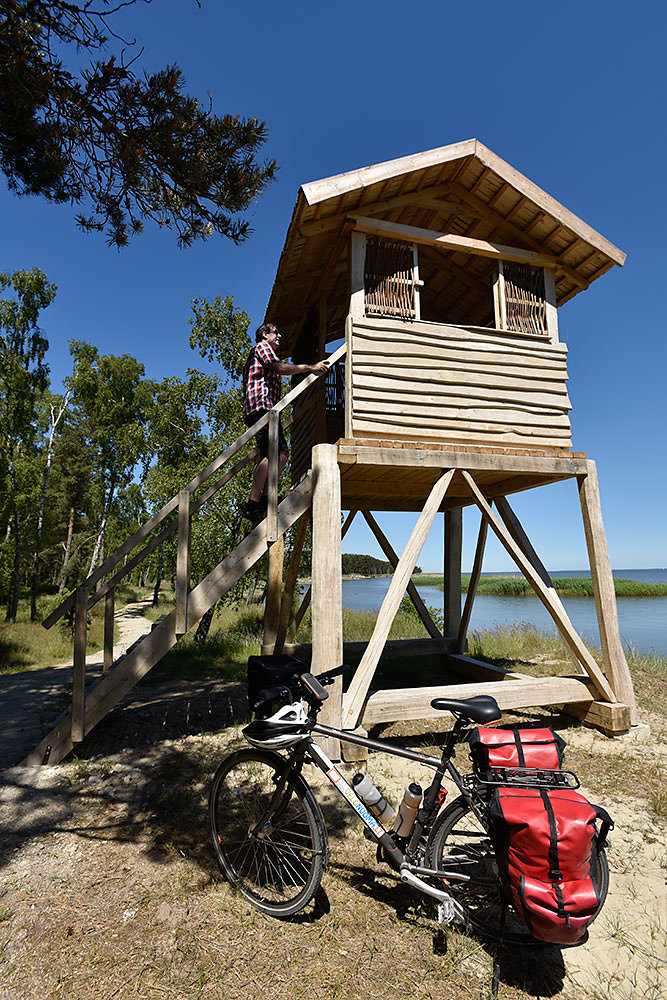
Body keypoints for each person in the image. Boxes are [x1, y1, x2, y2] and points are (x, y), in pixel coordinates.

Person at [241, 323, 329, 526]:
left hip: (265, 409)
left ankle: (261, 501)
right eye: (276, 332)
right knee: (275, 454)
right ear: (265, 335)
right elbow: (279, 368)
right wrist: (311, 367)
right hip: (262, 407)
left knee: (279, 454)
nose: (279, 336)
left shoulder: (264, 350)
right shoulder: (262, 348)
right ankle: (254, 504)